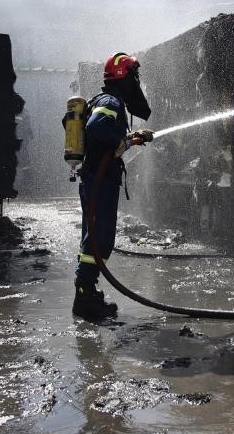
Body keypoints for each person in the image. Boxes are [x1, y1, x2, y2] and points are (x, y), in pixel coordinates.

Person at [73, 52, 154, 320]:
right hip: (100, 180)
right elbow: (98, 126)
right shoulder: (111, 101)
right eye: (133, 76)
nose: (136, 81)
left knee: (93, 236)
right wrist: (126, 142)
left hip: (96, 178)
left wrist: (131, 137)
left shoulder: (103, 99)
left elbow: (104, 132)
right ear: (123, 77)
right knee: (101, 238)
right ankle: (85, 297)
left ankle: (87, 291)